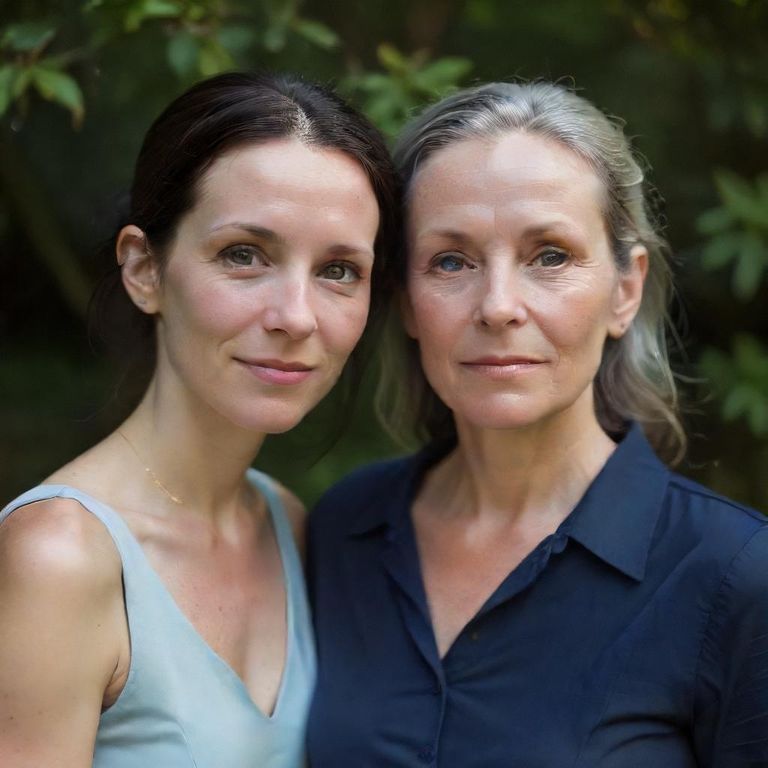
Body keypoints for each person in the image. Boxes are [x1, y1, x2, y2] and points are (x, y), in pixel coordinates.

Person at [307, 81, 768, 766]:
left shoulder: (736, 575)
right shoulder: (344, 530)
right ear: (405, 300)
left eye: (549, 255)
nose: (497, 306)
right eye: (452, 261)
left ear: (625, 289)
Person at [0, 71, 398, 768]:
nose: (296, 317)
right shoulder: (58, 558)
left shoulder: (286, 523)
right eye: (244, 255)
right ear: (144, 269)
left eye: (339, 270)